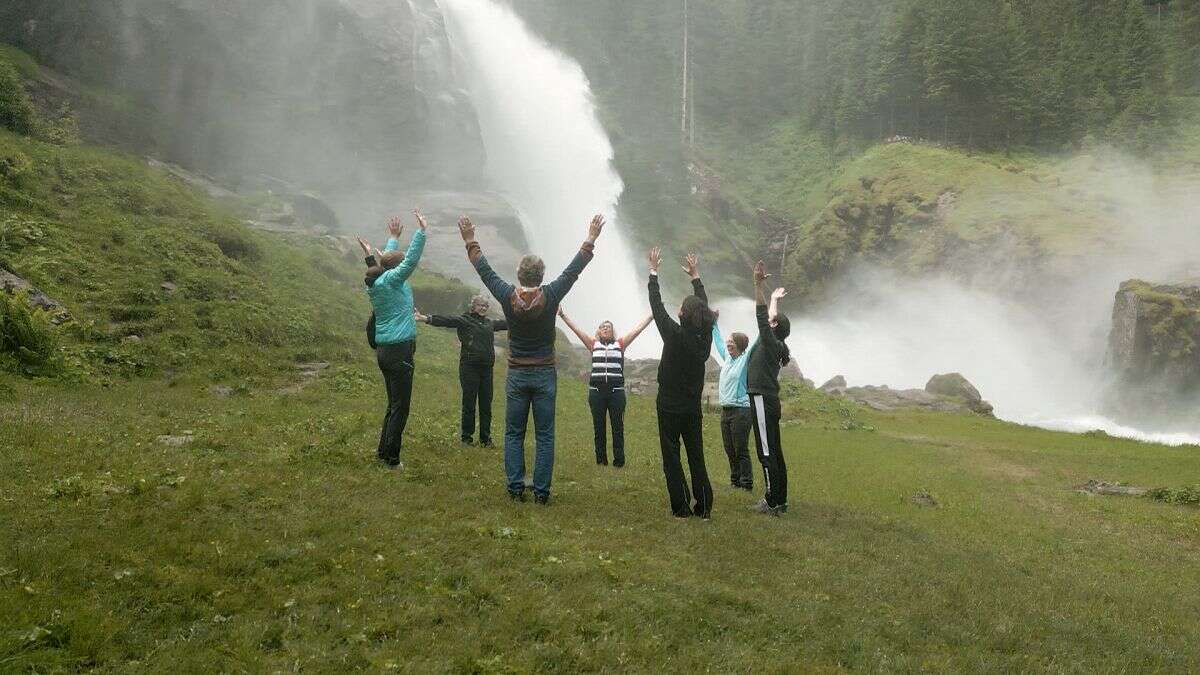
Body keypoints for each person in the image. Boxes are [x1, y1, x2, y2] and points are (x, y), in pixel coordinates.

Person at [457, 213, 605, 504]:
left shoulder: (505, 295)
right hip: (545, 373)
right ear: (541, 275)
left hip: (516, 374)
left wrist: (470, 240)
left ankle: (515, 487)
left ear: (518, 274)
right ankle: (541, 491)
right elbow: (573, 270)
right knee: (545, 434)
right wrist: (590, 238)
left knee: (513, 433)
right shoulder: (551, 294)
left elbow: (485, 271)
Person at [356, 209, 428, 469]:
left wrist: (392, 238)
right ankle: (392, 459)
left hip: (385, 351)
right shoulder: (394, 281)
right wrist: (421, 232)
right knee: (401, 407)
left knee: (393, 404)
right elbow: (407, 262)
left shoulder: (377, 282)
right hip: (399, 352)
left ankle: (383, 452)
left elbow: (385, 262)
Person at [647, 248, 715, 519]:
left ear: (684, 315)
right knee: (696, 455)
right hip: (692, 407)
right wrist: (696, 278)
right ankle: (705, 505)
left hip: (668, 404)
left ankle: (681, 507)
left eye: (682, 308)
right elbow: (705, 309)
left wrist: (653, 273)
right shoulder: (704, 339)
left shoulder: (674, 335)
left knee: (672, 456)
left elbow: (656, 306)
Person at [557, 307, 653, 467]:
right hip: (596, 393)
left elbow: (637, 330)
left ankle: (619, 461)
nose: (606, 328)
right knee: (598, 428)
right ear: (598, 332)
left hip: (616, 393)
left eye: (608, 327)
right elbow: (577, 330)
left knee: (618, 428)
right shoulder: (593, 344)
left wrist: (651, 316)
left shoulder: (620, 344)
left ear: (613, 331)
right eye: (602, 327)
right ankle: (601, 461)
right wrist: (562, 315)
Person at [414, 296, 508, 447]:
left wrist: (527, 319)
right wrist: (425, 318)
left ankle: (485, 439)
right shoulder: (464, 320)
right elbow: (446, 320)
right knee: (469, 403)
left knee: (486, 405)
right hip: (469, 368)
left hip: (486, 370)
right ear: (473, 306)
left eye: (486, 306)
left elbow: (509, 323)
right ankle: (466, 438)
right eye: (480, 305)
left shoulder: (490, 323)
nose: (483, 308)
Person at [746, 261, 792, 516]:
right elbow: (770, 319)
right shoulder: (777, 343)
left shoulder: (771, 341)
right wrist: (774, 298)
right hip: (767, 399)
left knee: (765, 450)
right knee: (775, 450)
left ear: (774, 327)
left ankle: (771, 501)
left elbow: (762, 316)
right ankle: (780, 500)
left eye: (772, 322)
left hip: (762, 399)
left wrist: (758, 286)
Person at [711, 318, 756, 491]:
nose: (728, 343)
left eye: (731, 341)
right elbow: (718, 342)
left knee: (740, 449)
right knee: (729, 449)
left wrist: (767, 322)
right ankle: (735, 481)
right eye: (728, 341)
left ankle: (746, 483)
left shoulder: (744, 360)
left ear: (739, 345)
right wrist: (714, 324)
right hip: (726, 411)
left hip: (741, 411)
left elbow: (757, 342)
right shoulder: (728, 358)